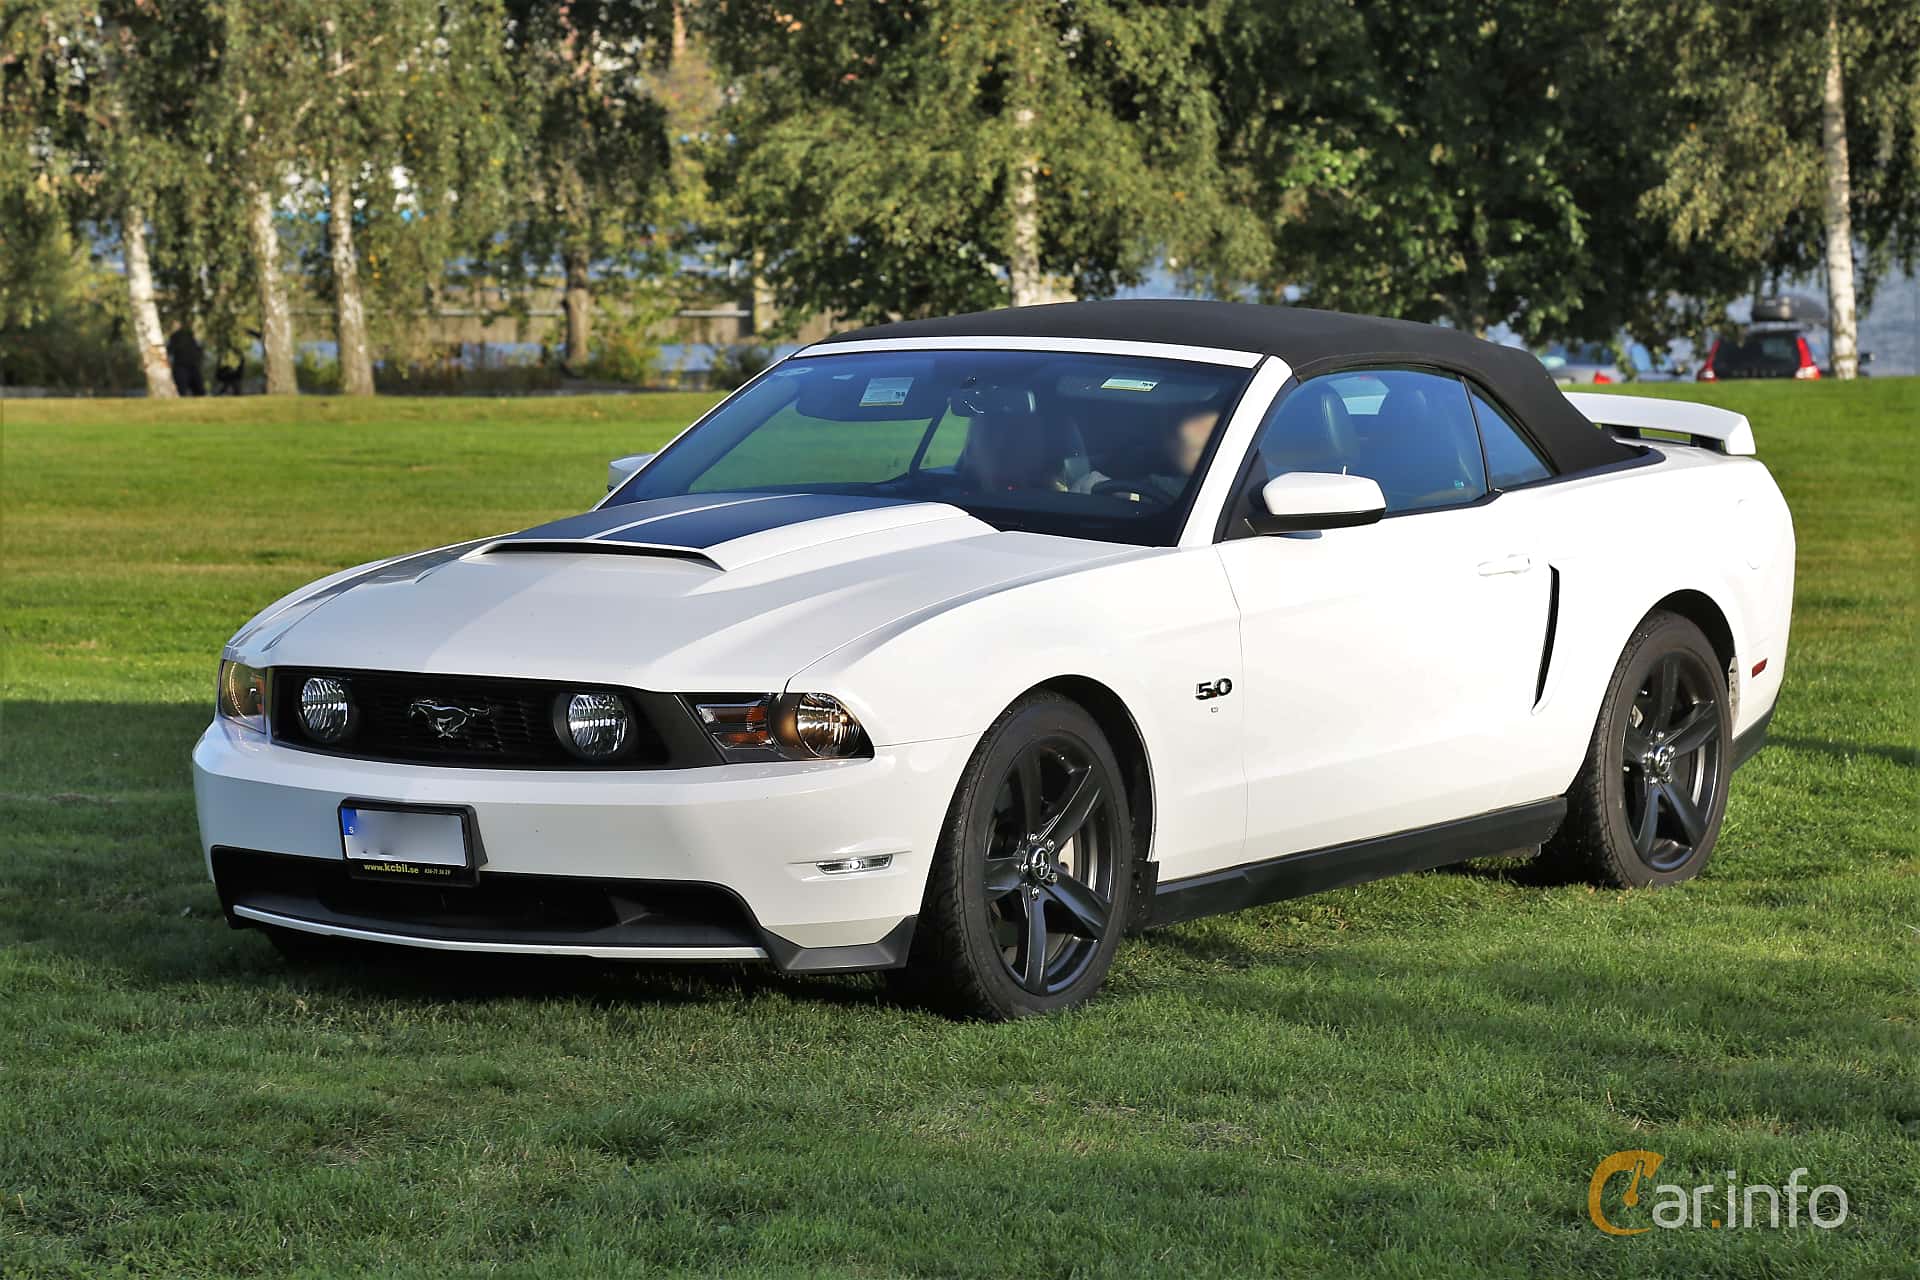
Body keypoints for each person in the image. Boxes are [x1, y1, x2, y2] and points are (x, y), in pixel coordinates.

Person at [1072, 404, 1222, 501]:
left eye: (1197, 409)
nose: (1180, 428)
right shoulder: (1128, 463)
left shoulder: (1230, 483)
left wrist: (1133, 496)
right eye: (1172, 417)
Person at [166, 325, 206, 396]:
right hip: (189, 366)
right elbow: (199, 350)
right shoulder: (185, 336)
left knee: (183, 390)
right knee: (198, 391)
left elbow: (169, 351)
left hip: (184, 366)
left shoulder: (175, 337)